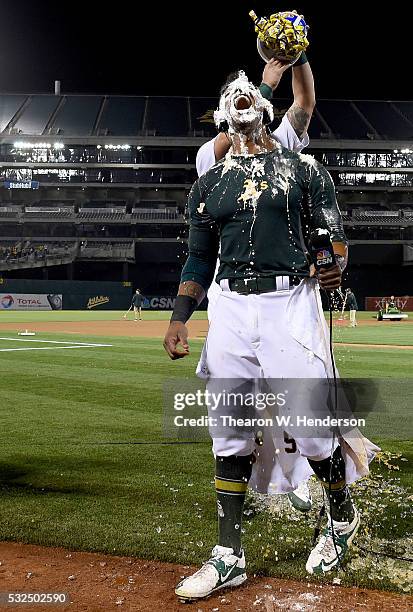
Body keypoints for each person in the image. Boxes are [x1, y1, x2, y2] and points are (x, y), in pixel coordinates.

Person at [164, 71, 378, 601]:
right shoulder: (210, 181)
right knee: (229, 430)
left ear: (263, 107)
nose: (241, 93)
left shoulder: (301, 166)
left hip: (291, 303)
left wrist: (334, 266)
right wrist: (179, 316)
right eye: (229, 94)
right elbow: (196, 256)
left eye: (250, 91)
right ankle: (228, 555)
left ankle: (342, 514)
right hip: (231, 307)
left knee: (309, 427)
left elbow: (332, 236)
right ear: (222, 117)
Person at [197, 53, 316, 513]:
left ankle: (304, 478)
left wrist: (297, 57)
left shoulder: (282, 141)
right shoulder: (210, 154)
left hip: (284, 296)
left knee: (293, 395)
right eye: (239, 94)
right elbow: (231, 141)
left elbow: (304, 100)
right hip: (233, 298)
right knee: (233, 407)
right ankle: (250, 488)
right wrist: (264, 86)